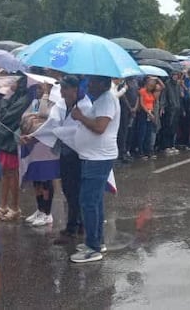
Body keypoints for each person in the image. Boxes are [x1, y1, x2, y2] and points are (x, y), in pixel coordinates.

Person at [70, 75, 120, 263]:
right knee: (95, 201)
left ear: (103, 83)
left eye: (92, 82)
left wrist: (80, 117)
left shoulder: (107, 99)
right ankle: (96, 240)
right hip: (93, 156)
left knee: (88, 201)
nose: (89, 85)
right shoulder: (101, 99)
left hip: (98, 157)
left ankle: (93, 248)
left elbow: (100, 127)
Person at [53, 75, 92, 246]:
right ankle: (80, 224)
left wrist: (60, 131)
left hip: (77, 154)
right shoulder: (66, 104)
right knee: (69, 190)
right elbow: (54, 125)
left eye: (64, 89)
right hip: (66, 152)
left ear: (74, 89)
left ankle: (72, 228)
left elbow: (78, 130)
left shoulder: (85, 106)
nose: (61, 93)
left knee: (74, 190)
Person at [0, 75, 31, 221]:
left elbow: (6, 116)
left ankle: (15, 207)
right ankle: (4, 205)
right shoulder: (17, 96)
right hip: (5, 140)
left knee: (13, 174)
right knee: (6, 172)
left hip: (12, 140)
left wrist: (4, 99)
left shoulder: (24, 99)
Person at [20, 79, 59, 227]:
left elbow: (44, 114)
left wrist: (46, 96)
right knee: (36, 179)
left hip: (47, 148)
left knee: (46, 179)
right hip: (34, 146)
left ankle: (47, 213)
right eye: (38, 88)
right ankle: (40, 209)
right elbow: (25, 117)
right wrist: (32, 118)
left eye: (42, 87)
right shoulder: (35, 101)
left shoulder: (55, 102)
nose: (39, 90)